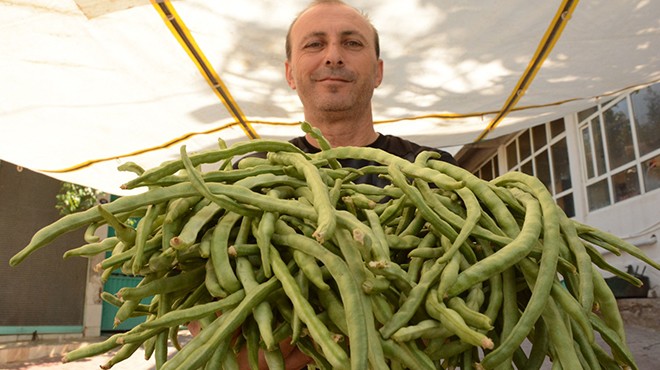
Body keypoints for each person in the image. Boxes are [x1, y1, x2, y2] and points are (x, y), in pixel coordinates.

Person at [189, 1, 458, 369]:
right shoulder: (249, 176)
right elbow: (215, 327)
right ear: (290, 73)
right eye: (314, 44)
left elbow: (460, 311)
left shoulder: (435, 172)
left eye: (352, 43)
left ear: (378, 72)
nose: (333, 56)